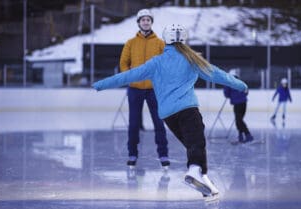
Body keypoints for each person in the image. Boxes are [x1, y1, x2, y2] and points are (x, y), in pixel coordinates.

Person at [92, 24, 248, 200]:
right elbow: (218, 75)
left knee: (193, 145)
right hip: (188, 109)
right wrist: (240, 85)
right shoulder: (192, 59)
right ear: (184, 39)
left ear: (166, 39)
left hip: (168, 115)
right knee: (197, 143)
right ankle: (196, 171)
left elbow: (128, 76)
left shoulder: (156, 62)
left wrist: (100, 84)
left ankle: (204, 180)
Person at [119, 9, 169, 169]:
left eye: (148, 20)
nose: (145, 22)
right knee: (134, 124)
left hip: (154, 90)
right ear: (139, 22)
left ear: (151, 22)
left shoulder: (160, 43)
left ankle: (163, 154)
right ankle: (132, 153)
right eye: (143, 20)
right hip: (135, 89)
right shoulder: (130, 43)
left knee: (159, 123)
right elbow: (123, 63)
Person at [223, 69, 254, 144]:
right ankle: (241, 136)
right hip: (244, 103)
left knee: (239, 121)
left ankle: (248, 135)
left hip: (237, 104)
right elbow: (246, 91)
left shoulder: (229, 82)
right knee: (239, 120)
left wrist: (231, 96)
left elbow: (226, 94)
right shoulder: (240, 82)